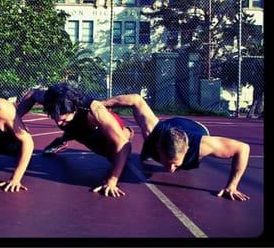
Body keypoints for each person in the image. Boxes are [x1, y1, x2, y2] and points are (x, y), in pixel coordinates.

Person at [101, 93, 251, 201]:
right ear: (158, 148)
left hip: (196, 128)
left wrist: (232, 186)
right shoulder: (152, 131)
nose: (170, 169)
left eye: (175, 164)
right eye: (167, 163)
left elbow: (243, 148)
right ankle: (135, 141)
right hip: (170, 125)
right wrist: (101, 104)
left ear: (186, 150)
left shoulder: (202, 145)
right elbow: (136, 99)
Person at [16, 83, 133, 197]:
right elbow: (33, 94)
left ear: (75, 109)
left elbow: (123, 144)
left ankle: (129, 132)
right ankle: (62, 140)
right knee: (75, 129)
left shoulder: (95, 110)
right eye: (54, 118)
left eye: (63, 120)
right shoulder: (50, 99)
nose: (58, 123)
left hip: (103, 130)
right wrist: (15, 119)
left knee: (114, 154)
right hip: (79, 129)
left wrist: (112, 181)